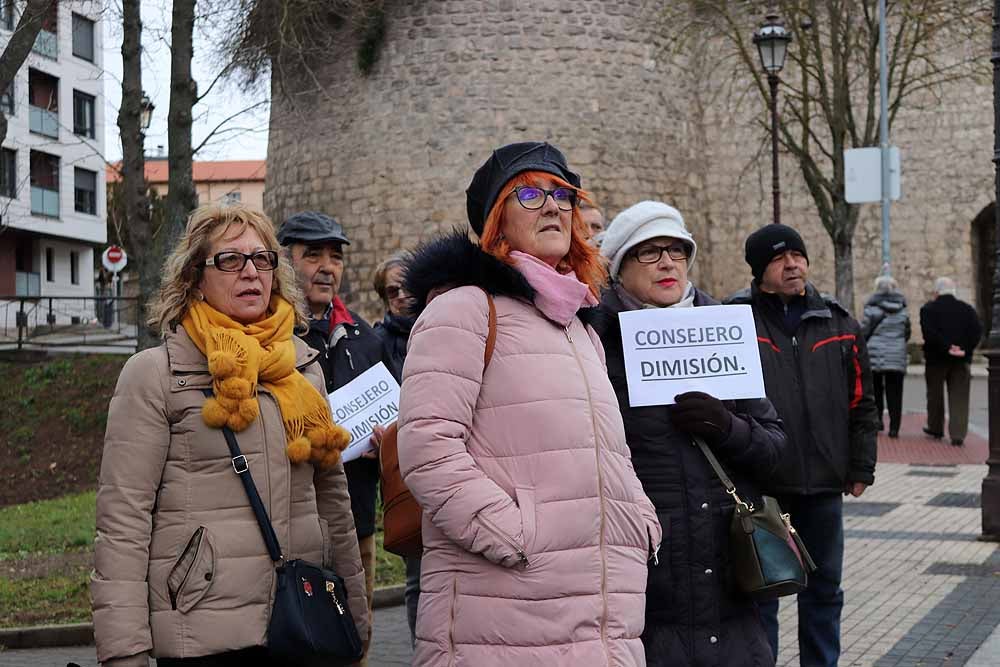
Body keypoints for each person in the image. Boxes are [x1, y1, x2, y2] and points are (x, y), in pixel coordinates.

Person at [397, 141, 661, 666]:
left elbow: (609, 447)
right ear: (497, 219)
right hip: (502, 613)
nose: (554, 206)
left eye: (563, 194)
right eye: (531, 193)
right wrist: (516, 534)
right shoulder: (465, 309)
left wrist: (638, 517)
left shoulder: (579, 324)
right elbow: (428, 448)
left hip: (601, 613)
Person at [92, 204, 369, 666]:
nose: (250, 272)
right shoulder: (155, 374)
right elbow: (123, 522)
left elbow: (334, 505)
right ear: (195, 277)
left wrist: (355, 618)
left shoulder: (303, 370)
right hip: (202, 634)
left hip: (302, 624)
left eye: (262, 259)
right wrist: (125, 651)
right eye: (230, 260)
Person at [594, 201, 786, 666]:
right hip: (644, 579)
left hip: (728, 581)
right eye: (649, 252)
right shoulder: (594, 338)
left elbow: (775, 449)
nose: (667, 262)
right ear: (620, 268)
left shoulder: (723, 328)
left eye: (678, 251)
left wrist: (726, 426)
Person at [725, 223, 878, 667]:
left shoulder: (839, 322)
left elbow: (861, 403)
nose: (792, 265)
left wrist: (860, 467)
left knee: (825, 593)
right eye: (778, 258)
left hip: (824, 486)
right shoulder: (733, 319)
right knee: (761, 592)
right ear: (758, 270)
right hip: (762, 484)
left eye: (798, 255)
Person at [277, 211, 387, 664]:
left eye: (336, 257)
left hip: (354, 522)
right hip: (287, 526)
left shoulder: (364, 337)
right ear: (285, 262)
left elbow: (393, 412)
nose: (328, 267)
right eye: (313, 255)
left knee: (353, 640)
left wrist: (388, 441)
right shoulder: (269, 336)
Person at [371, 252, 420, 644]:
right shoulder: (377, 343)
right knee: (417, 574)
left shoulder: (443, 329)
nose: (402, 296)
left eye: (409, 287)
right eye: (393, 290)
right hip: (404, 467)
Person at [919, 277, 982, 446]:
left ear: (937, 292)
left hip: (936, 359)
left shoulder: (928, 309)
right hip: (961, 360)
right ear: (953, 291)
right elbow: (977, 332)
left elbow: (929, 334)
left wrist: (947, 347)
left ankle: (936, 427)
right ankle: (958, 434)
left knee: (935, 396)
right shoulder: (967, 310)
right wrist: (964, 349)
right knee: (960, 397)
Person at [861, 275, 911, 438]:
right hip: (896, 356)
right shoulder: (903, 310)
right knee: (895, 392)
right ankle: (894, 428)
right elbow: (906, 333)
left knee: (875, 391)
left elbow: (864, 332)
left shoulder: (871, 309)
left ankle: (878, 422)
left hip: (874, 356)